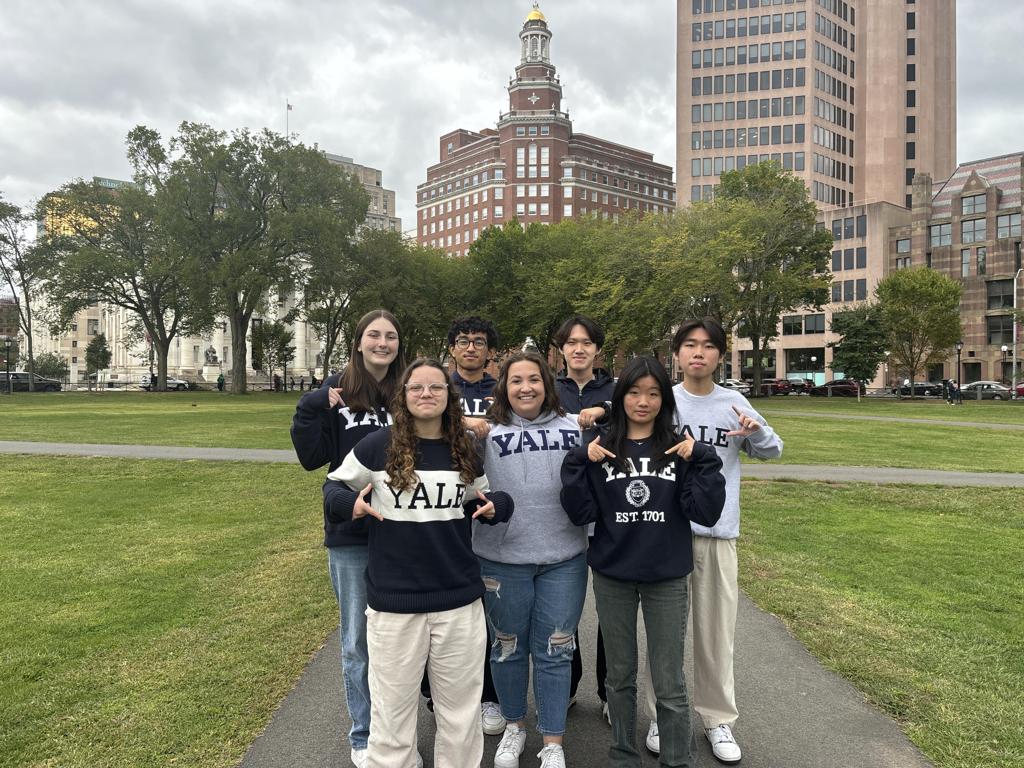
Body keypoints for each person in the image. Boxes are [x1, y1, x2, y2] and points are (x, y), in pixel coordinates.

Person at [324, 358, 514, 768]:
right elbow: (334, 485)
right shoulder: (377, 445)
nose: (426, 394)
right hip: (395, 605)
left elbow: (485, 498)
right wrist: (348, 503)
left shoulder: (464, 449)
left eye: (436, 387)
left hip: (458, 602)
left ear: (449, 396)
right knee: (392, 714)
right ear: (404, 396)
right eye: (417, 387)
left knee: (460, 715)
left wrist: (499, 506)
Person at [560, 356, 725, 768]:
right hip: (613, 574)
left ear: (664, 400)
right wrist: (579, 460)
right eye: (634, 392)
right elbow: (580, 512)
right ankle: (623, 756)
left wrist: (704, 456)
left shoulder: (678, 447)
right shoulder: (601, 447)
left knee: (669, 681)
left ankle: (677, 759)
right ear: (620, 397)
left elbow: (705, 512)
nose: (643, 401)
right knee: (619, 676)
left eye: (653, 393)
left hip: (666, 576)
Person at [642, 318, 782, 764]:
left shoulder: (734, 403)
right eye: (689, 345)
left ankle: (717, 718)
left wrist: (756, 432)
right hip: (667, 533)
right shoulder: (664, 403)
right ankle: (662, 716)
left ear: (720, 355)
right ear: (677, 354)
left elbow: (772, 450)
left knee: (716, 633)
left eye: (707, 346)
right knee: (665, 635)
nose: (698, 353)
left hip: (717, 534)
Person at [290, 309, 405, 768]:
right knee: (358, 641)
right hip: (352, 532)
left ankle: (397, 730)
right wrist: (311, 406)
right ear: (358, 342)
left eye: (390, 336)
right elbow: (311, 457)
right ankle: (364, 733)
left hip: (405, 530)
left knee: (402, 639)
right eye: (374, 335)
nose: (382, 343)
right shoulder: (335, 391)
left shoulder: (407, 390)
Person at [475, 351, 589, 768]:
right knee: (506, 647)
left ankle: (553, 742)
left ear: (547, 384)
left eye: (534, 379)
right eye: (516, 380)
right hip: (501, 558)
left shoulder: (574, 428)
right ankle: (513, 726)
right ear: (503, 387)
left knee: (557, 648)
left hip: (564, 557)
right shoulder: (486, 432)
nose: (526, 388)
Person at [436, 316, 505, 734]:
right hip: (447, 501)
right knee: (448, 604)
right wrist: (461, 423)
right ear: (452, 348)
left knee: (490, 605)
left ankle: (491, 695)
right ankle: (442, 692)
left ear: (490, 351)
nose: (471, 347)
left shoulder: (504, 390)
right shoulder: (441, 388)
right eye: (463, 341)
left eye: (479, 342)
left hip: (493, 500)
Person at [551, 315, 615, 716]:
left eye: (586, 342)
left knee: (611, 609)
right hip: (562, 507)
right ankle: (568, 683)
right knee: (565, 608)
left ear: (597, 349)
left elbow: (641, 407)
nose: (579, 349)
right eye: (572, 342)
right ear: (561, 349)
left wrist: (604, 408)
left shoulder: (615, 389)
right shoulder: (549, 389)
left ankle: (610, 692)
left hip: (610, 507)